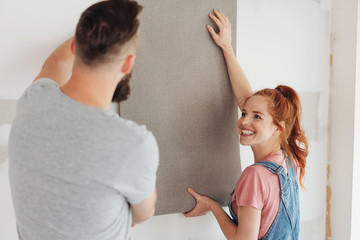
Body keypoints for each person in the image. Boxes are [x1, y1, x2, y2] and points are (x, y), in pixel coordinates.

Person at [8, 1, 159, 239]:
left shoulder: (32, 100)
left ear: (74, 46)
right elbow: (144, 212)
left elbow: (55, 63)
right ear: (129, 63)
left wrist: (93, 31)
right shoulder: (132, 144)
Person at [184, 9, 308, 240]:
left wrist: (212, 206)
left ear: (278, 127)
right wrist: (227, 47)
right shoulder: (289, 161)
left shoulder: (256, 176)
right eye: (243, 113)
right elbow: (246, 99)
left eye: (257, 117)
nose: (244, 121)